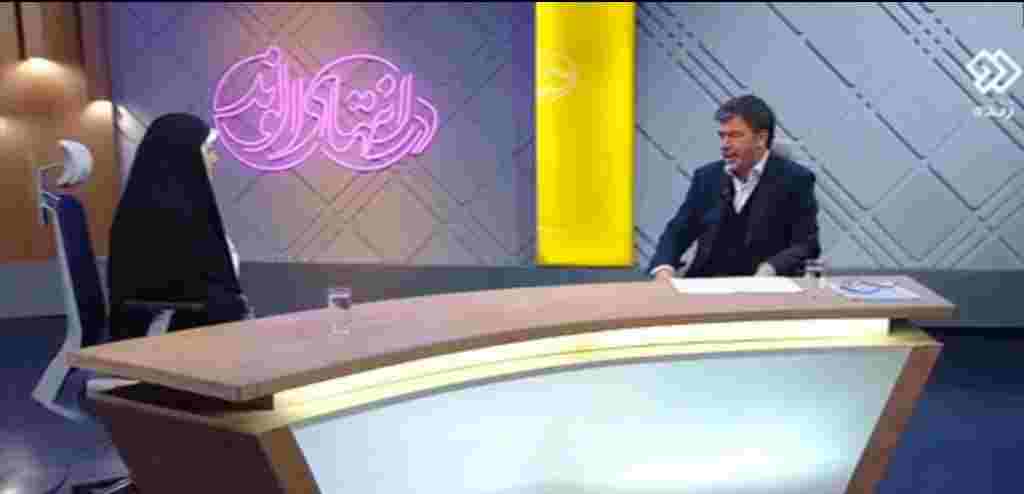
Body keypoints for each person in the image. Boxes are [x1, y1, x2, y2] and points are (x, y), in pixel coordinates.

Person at [107, 113, 251, 341]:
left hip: (194, 334)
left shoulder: (182, 206)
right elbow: (169, 298)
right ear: (185, 155)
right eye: (208, 150)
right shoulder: (161, 216)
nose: (215, 159)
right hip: (171, 343)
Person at [647, 94, 821, 281]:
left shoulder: (795, 179)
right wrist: (663, 268)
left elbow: (807, 245)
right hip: (707, 284)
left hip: (766, 286)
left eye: (735, 135)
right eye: (722, 136)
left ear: (761, 138)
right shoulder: (707, 178)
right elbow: (677, 232)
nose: (725, 145)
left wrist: (770, 269)